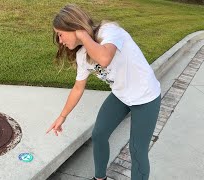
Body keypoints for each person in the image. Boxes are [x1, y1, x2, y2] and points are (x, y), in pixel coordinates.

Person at [46, 4, 161, 180]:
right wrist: (62, 116)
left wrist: (82, 33)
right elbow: (78, 88)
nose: (60, 40)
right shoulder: (82, 55)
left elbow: (105, 58)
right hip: (121, 96)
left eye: (60, 34)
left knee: (137, 149)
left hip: (146, 97)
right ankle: (100, 178)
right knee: (99, 134)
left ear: (74, 27)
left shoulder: (109, 31)